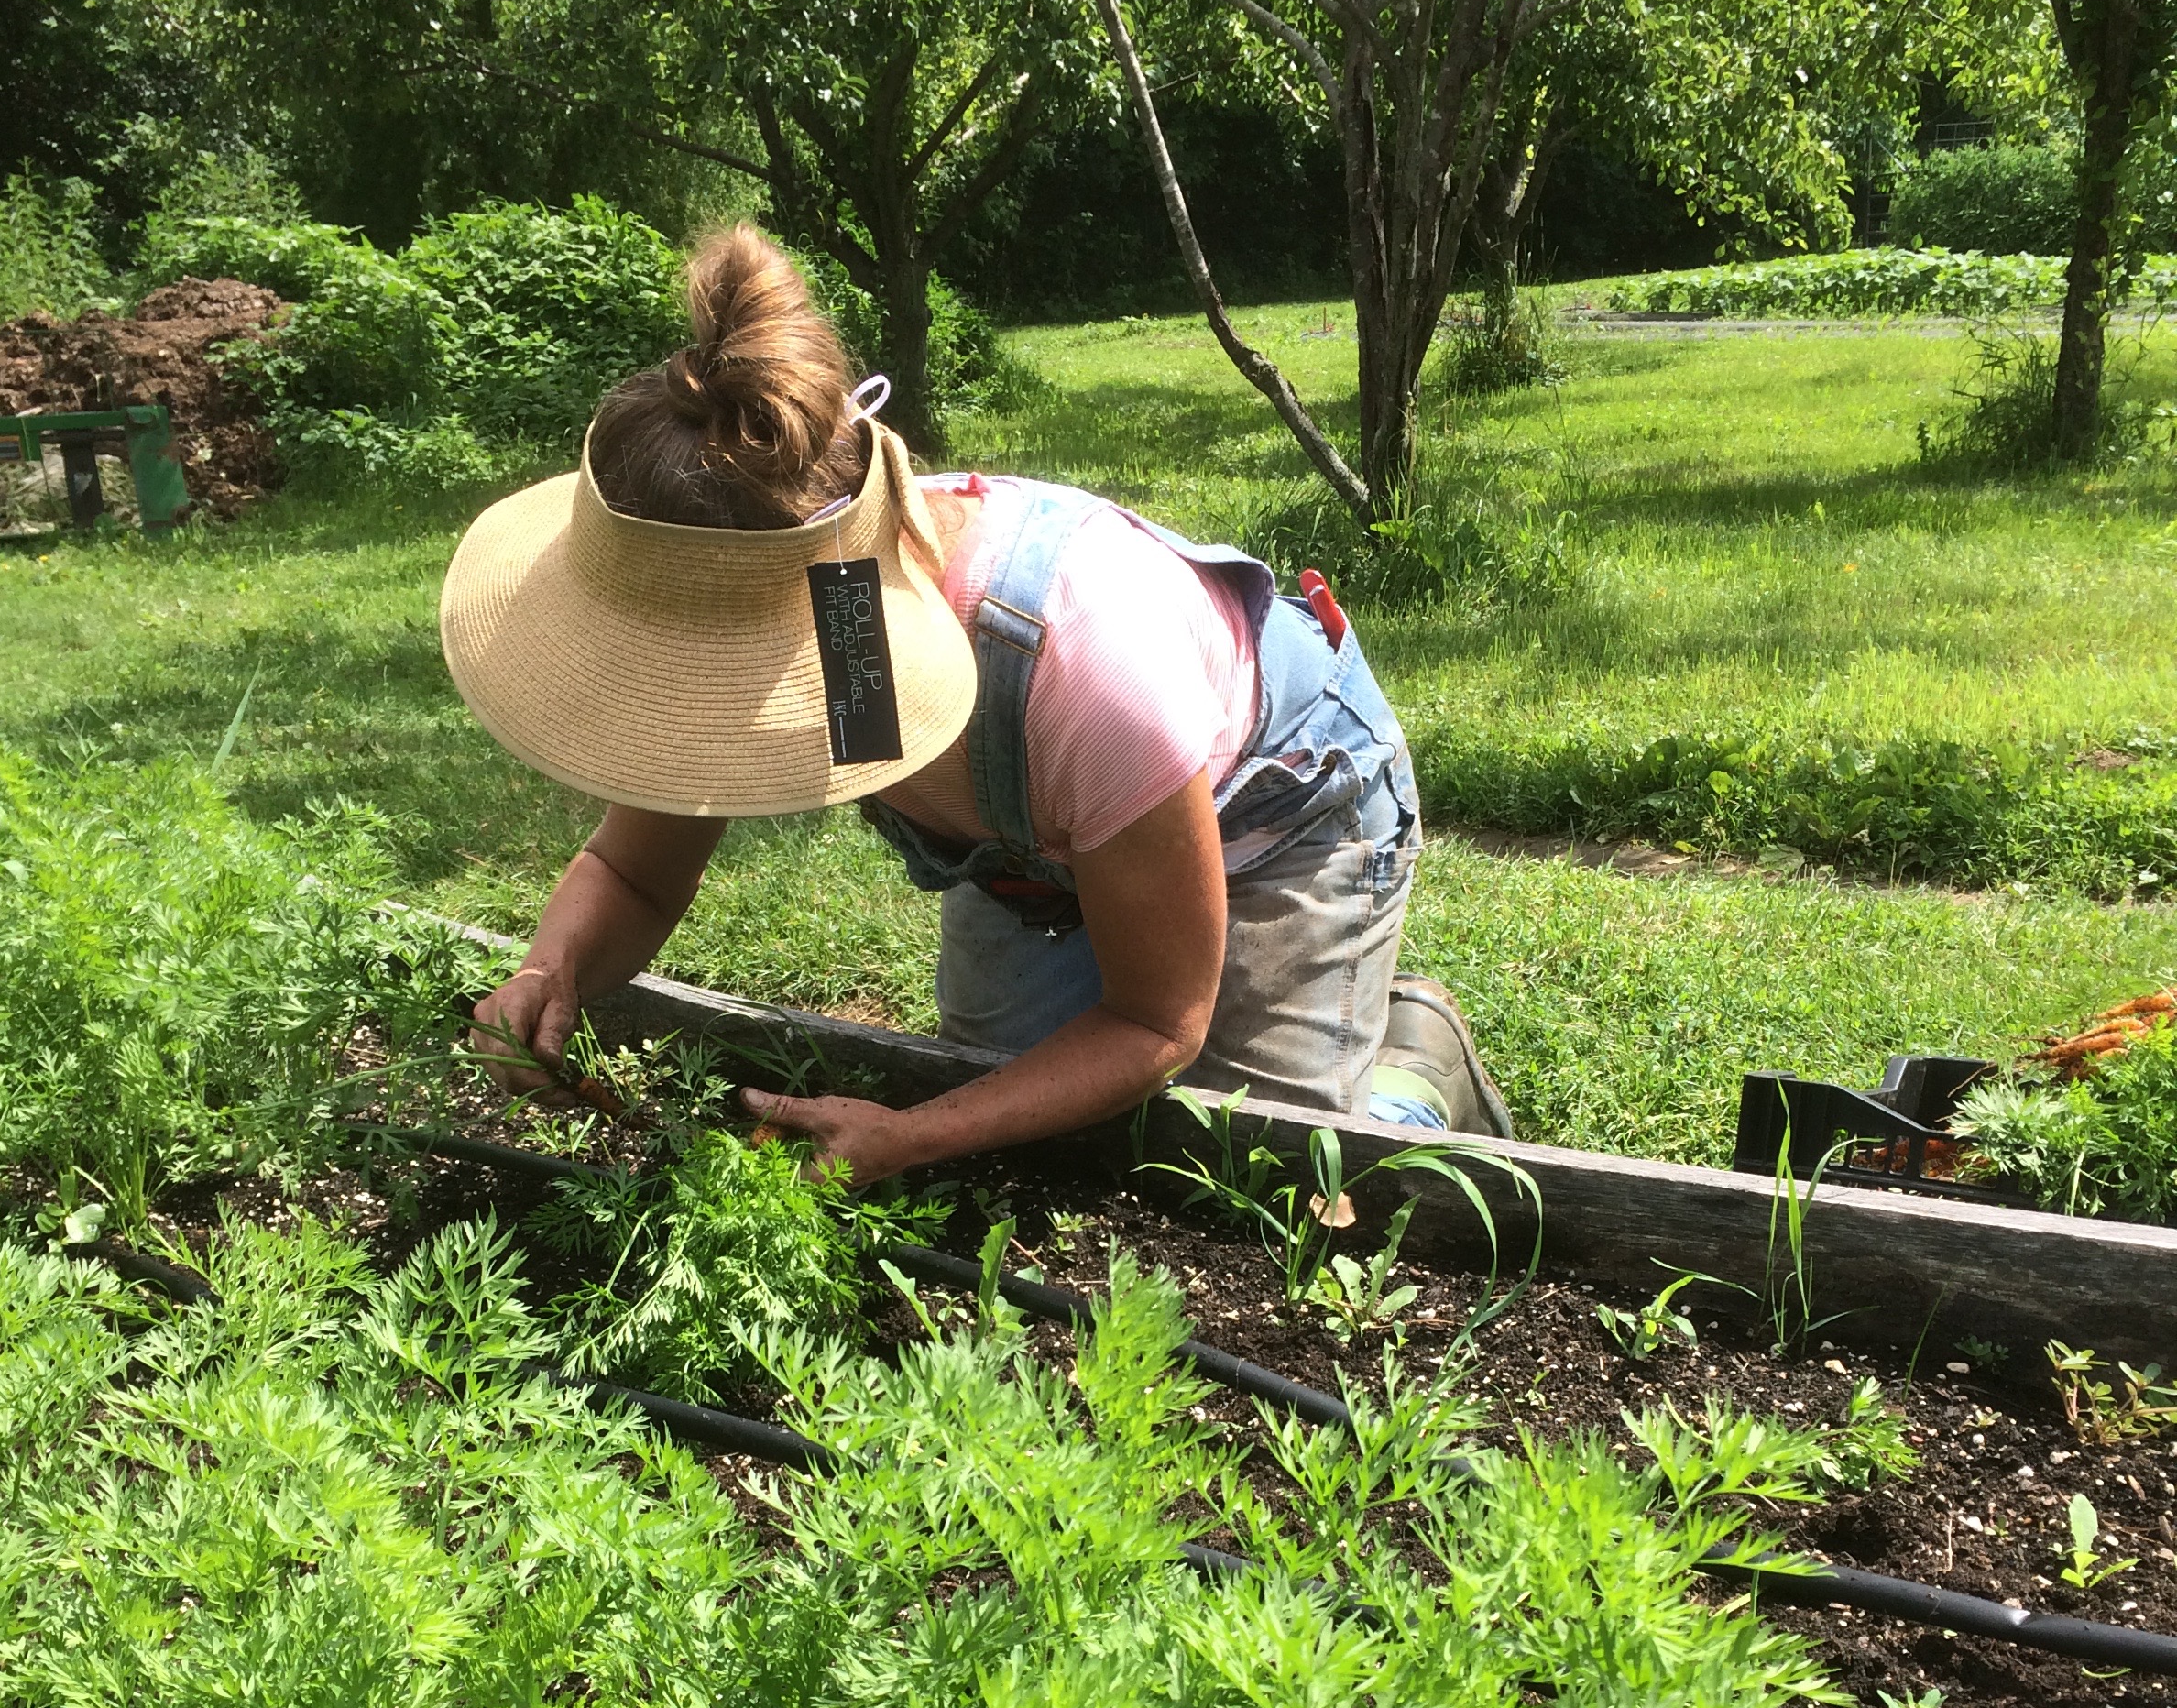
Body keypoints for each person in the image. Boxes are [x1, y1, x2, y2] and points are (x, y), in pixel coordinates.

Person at [441, 224, 1510, 1186]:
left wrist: (911, 1136)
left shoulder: (1090, 668)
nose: (698, 700)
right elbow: (635, 869)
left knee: (1251, 1169)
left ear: (834, 609)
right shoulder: (811, 612)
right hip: (1041, 843)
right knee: (1019, 1113)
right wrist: (552, 970)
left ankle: (1413, 1073)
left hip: (1277, 805)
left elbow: (1156, 1022)